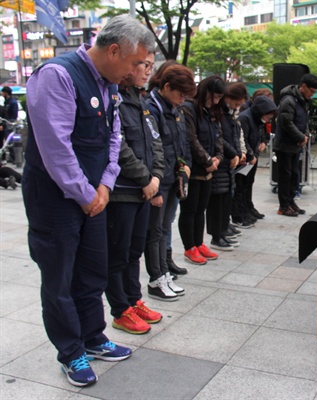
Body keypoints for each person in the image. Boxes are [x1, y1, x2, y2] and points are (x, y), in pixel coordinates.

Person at [22, 15, 155, 387]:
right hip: (55, 197)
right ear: (113, 50)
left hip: (95, 195)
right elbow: (55, 147)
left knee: (93, 270)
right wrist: (85, 193)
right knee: (59, 276)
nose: (135, 72)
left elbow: (114, 139)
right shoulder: (57, 75)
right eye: (134, 64)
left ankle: (93, 336)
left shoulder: (110, 84)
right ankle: (70, 350)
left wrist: (106, 186)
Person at [104, 51, 165, 335]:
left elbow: (156, 144)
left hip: (144, 190)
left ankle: (133, 299)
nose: (147, 72)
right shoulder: (113, 97)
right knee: (118, 254)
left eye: (151, 67)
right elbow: (119, 147)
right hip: (123, 192)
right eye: (143, 65)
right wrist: (145, 179)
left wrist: (156, 179)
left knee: (134, 252)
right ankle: (120, 310)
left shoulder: (141, 101)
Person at [145, 64, 195, 300]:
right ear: (166, 87)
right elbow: (152, 149)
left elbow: (180, 142)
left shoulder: (174, 109)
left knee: (164, 228)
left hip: (172, 177)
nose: (182, 100)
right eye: (180, 95)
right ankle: (156, 279)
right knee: (154, 232)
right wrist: (154, 184)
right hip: (158, 180)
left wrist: (184, 166)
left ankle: (164, 273)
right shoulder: (151, 109)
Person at [179, 76, 224, 261]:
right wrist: (207, 161)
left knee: (201, 209)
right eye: (213, 96)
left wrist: (218, 159)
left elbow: (218, 137)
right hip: (194, 169)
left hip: (209, 170)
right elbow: (192, 139)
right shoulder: (189, 108)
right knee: (189, 210)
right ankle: (189, 247)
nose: (215, 101)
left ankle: (199, 243)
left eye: (218, 98)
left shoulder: (212, 112)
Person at [273, 73, 317, 217]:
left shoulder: (302, 101)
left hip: (296, 144)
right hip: (285, 144)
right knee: (285, 175)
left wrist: (305, 135)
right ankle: (283, 205)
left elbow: (303, 121)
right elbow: (286, 122)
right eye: (311, 91)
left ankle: (291, 201)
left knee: (295, 174)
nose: (312, 95)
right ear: (303, 86)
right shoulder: (288, 100)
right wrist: (300, 137)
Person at [207, 82, 246, 250]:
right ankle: (217, 235)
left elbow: (235, 137)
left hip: (230, 162)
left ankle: (223, 230)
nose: (237, 107)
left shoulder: (230, 115)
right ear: (228, 98)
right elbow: (220, 138)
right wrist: (233, 154)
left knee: (226, 198)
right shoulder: (219, 113)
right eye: (236, 103)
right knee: (217, 201)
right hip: (221, 161)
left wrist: (239, 153)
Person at [236, 95, 278, 224]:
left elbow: (260, 134)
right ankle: (240, 212)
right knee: (240, 186)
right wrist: (250, 154)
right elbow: (243, 139)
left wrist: (262, 142)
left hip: (253, 156)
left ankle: (248, 207)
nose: (268, 119)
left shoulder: (257, 120)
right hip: (246, 158)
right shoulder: (245, 118)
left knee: (248, 183)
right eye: (267, 116)